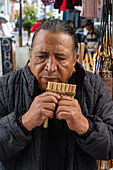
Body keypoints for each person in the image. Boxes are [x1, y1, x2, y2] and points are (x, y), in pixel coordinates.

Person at [0, 19, 113, 170]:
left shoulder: (94, 87)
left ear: (74, 61)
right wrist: (25, 122)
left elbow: (110, 148)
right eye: (41, 56)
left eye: (60, 58)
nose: (51, 67)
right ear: (30, 55)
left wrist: (85, 127)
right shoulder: (5, 87)